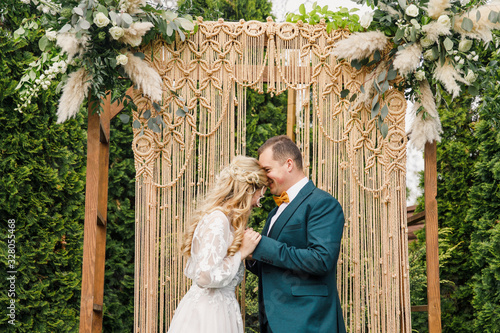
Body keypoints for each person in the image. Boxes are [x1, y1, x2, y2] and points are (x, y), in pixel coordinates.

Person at [246, 135, 347, 333]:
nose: (263, 178)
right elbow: (274, 268)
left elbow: (321, 260)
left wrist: (260, 246)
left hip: (308, 321)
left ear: (289, 164)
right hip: (275, 322)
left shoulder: (322, 203)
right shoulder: (275, 212)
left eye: (267, 170)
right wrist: (250, 256)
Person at [167, 156, 268, 333]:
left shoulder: (226, 220)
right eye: (262, 189)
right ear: (250, 189)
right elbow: (205, 276)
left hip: (221, 308)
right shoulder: (218, 219)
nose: (262, 197)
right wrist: (241, 253)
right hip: (209, 315)